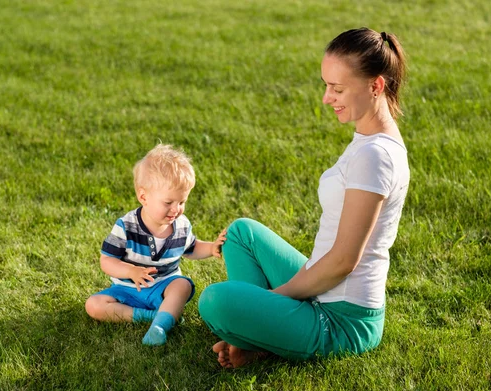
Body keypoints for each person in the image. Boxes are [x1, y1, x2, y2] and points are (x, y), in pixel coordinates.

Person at [198, 27, 410, 367]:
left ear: (376, 86)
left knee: (215, 302)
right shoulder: (370, 140)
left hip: (342, 321)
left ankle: (258, 331)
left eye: (338, 88)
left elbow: (343, 262)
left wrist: (272, 298)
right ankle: (260, 332)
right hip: (320, 287)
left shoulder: (376, 157)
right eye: (327, 85)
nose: (327, 98)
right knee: (242, 234)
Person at [85, 144, 225, 346]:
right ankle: (148, 316)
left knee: (182, 285)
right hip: (127, 290)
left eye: (182, 202)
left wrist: (211, 248)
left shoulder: (181, 226)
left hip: (162, 287)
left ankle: (161, 325)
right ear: (144, 197)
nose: (176, 209)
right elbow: (107, 260)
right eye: (168, 202)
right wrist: (131, 271)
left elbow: (192, 248)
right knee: (94, 305)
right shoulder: (126, 226)